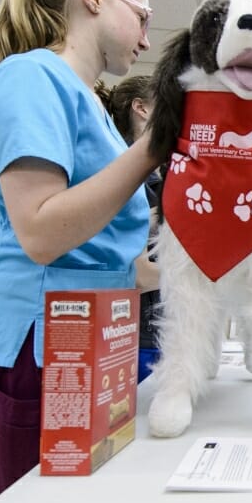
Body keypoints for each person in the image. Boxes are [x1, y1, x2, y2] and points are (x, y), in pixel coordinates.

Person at [0, 0, 158, 503]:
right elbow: (43, 234)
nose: (145, 39)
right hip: (37, 343)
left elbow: (104, 260)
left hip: (90, 336)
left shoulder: (90, 103)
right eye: (142, 17)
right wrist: (151, 148)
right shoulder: (29, 78)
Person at [101, 75, 162, 382]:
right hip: (138, 337)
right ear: (141, 108)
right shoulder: (123, 175)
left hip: (156, 331)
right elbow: (136, 276)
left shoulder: (157, 177)